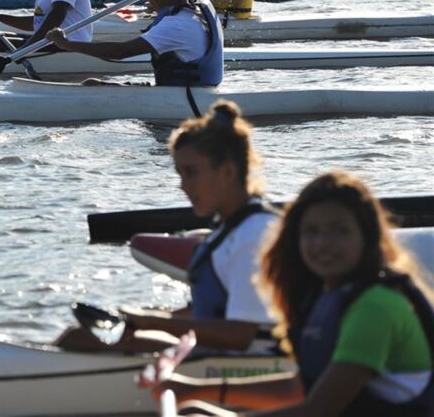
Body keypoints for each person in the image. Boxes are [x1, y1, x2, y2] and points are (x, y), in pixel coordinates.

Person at [155, 171, 434, 416]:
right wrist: (191, 391)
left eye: (339, 231)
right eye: (311, 231)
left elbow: (319, 409)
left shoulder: (375, 307)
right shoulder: (323, 298)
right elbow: (299, 388)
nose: (323, 243)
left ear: (368, 237)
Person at [56, 100, 279, 354]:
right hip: (214, 350)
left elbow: (243, 334)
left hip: (247, 363)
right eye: (180, 174)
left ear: (227, 171)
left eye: (191, 172)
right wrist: (147, 317)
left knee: (77, 340)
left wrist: (153, 322)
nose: (183, 186)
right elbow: (209, 310)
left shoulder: (255, 234)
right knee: (81, 336)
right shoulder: (229, 228)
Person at [46, 0, 224, 87]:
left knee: (90, 86)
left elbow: (120, 51)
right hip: (192, 89)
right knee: (93, 83)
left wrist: (69, 44)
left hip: (184, 97)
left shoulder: (175, 25)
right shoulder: (198, 8)